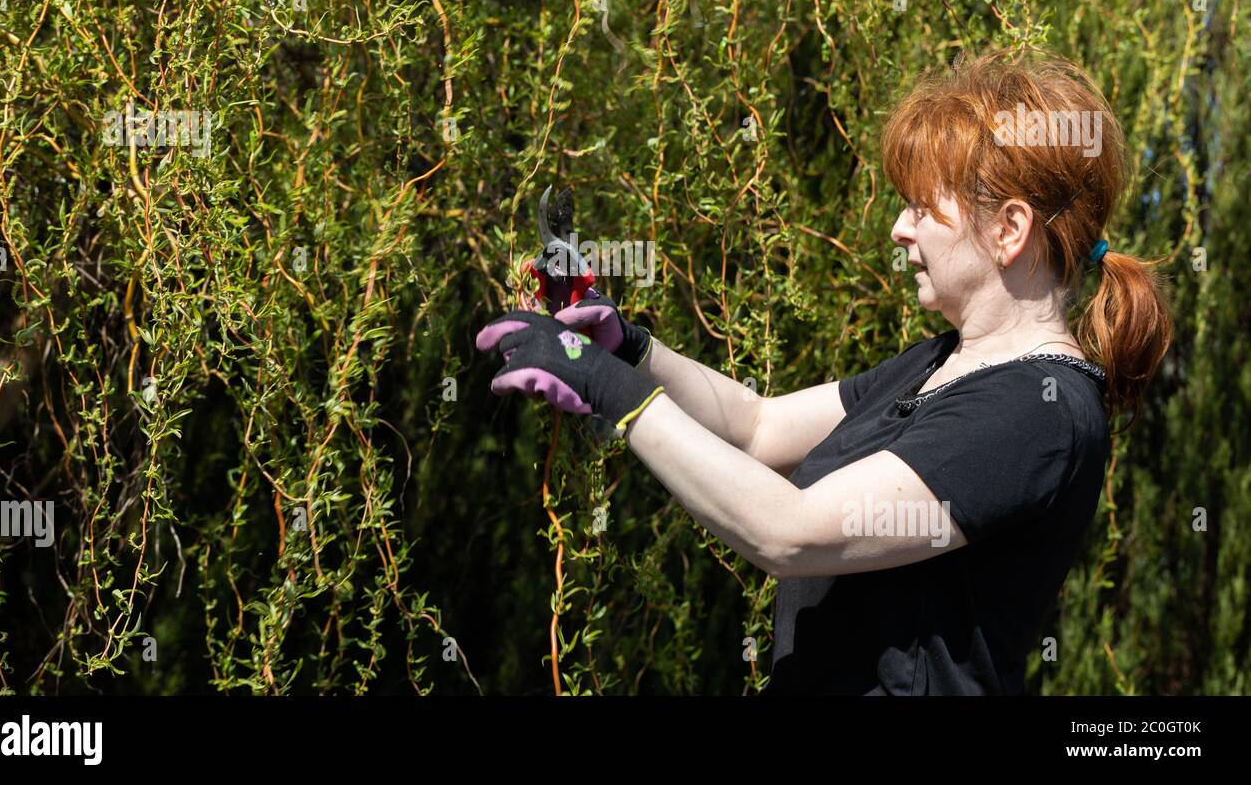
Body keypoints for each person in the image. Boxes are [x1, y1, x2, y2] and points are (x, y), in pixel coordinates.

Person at [474, 46, 1173, 695]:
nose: (900, 229)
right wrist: (628, 349)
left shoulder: (1035, 413)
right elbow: (758, 426)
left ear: (1009, 230)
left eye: (920, 206)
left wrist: (607, 389)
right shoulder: (942, 362)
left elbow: (790, 531)